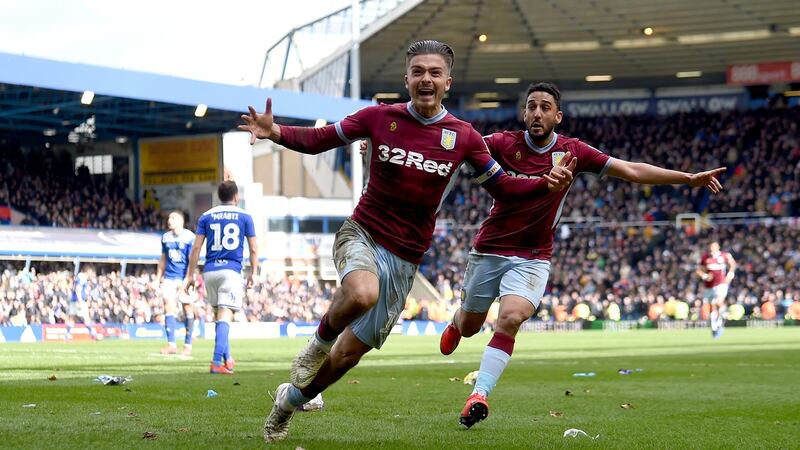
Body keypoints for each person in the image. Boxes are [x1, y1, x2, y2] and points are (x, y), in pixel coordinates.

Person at [238, 40, 576, 443]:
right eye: (418, 72)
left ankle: (291, 400)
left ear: (447, 82)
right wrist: (274, 131)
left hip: (405, 257)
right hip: (363, 232)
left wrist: (544, 184)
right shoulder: (379, 118)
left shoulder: (464, 137)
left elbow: (503, 188)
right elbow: (321, 139)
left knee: (347, 357)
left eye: (434, 73)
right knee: (361, 294)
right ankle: (317, 343)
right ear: (407, 79)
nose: (426, 79)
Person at [438, 82, 726, 428]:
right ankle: (457, 322)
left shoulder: (574, 152)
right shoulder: (501, 143)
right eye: (532, 106)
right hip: (489, 249)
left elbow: (631, 170)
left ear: (558, 116)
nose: (537, 113)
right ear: (524, 113)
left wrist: (687, 178)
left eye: (545, 107)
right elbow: (452, 153)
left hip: (533, 255)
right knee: (471, 325)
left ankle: (479, 394)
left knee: (511, 318)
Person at [183, 180, 258, 374]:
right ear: (236, 197)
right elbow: (254, 248)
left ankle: (228, 359)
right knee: (226, 315)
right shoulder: (245, 216)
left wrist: (190, 275)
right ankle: (216, 362)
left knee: (220, 316)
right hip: (231, 271)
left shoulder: (206, 216)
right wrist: (253, 272)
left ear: (218, 197)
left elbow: (197, 248)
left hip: (210, 271)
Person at [156, 210, 196, 356]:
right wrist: (157, 278)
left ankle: (187, 345)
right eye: (168, 218)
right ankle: (171, 345)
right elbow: (163, 259)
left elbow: (192, 260)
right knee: (168, 307)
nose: (169, 220)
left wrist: (188, 279)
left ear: (180, 221)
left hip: (184, 277)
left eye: (172, 218)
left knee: (187, 309)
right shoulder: (165, 238)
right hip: (169, 277)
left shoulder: (189, 237)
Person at [696, 241, 736, 338]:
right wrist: (705, 276)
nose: (712, 249)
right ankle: (715, 326)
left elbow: (733, 264)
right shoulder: (705, 257)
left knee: (718, 302)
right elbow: (699, 270)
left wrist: (730, 274)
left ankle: (719, 322)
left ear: (718, 246)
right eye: (710, 247)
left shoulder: (724, 255)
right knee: (711, 307)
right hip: (709, 286)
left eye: (713, 246)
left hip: (721, 284)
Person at [65, 266, 100, 341]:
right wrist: (80, 301)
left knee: (72, 318)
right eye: (92, 273)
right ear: (88, 271)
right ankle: (93, 334)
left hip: (73, 300)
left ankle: (67, 335)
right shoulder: (82, 277)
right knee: (86, 317)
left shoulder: (79, 276)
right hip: (79, 300)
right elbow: (78, 289)